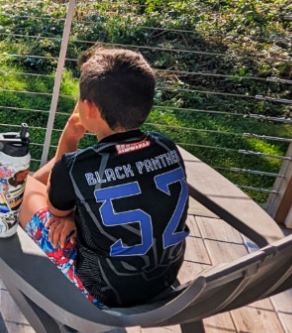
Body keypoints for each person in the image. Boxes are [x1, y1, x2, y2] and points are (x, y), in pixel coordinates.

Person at [18, 47, 188, 308]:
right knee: (59, 193)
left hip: (103, 292)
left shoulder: (79, 166)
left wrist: (69, 140)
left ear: (89, 108)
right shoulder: (167, 147)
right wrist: (77, 215)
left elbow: (55, 210)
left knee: (23, 185)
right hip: (163, 281)